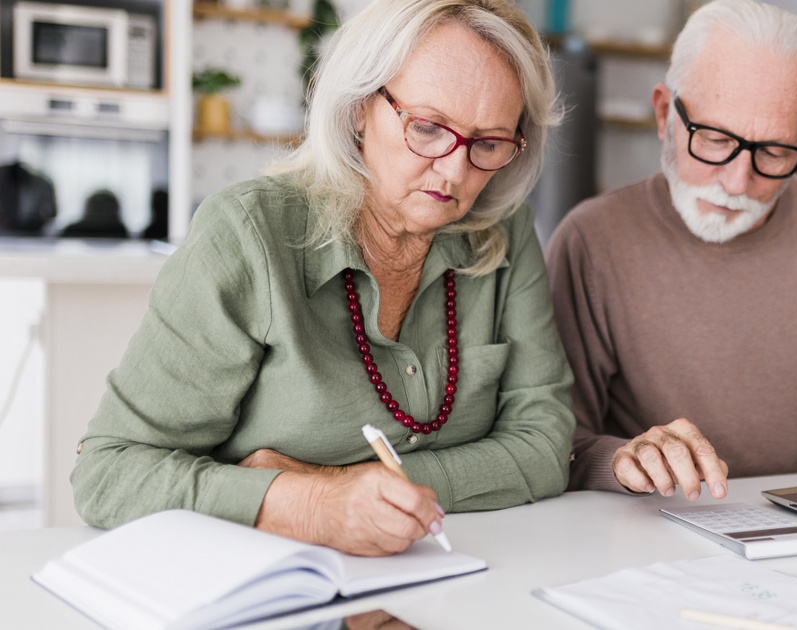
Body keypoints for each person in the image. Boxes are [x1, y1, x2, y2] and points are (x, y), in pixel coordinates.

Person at [72, 0, 573, 557]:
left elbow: (546, 446)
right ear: (359, 107)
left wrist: (344, 485)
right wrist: (305, 506)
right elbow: (109, 472)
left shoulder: (504, 233)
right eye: (428, 128)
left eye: (489, 143)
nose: (455, 170)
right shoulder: (248, 232)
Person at [545, 0, 797, 502]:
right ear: (664, 112)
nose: (737, 182)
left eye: (776, 152)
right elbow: (556, 438)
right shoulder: (591, 240)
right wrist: (622, 459)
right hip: (649, 525)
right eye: (715, 139)